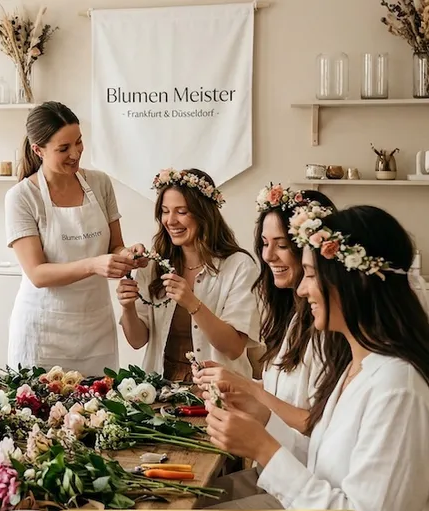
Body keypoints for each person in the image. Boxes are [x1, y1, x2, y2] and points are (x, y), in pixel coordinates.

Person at [203, 205, 429, 510]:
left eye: (310, 274)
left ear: (356, 281)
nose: (303, 289)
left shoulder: (397, 387)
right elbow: (320, 462)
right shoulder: (357, 368)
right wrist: (263, 417)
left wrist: (264, 449)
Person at [5, 101, 145, 376]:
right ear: (38, 150)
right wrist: (93, 265)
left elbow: (114, 245)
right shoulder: (22, 197)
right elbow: (37, 273)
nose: (75, 153)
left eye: (79, 143)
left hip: (95, 326)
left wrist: (128, 254)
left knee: (100, 414)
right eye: (63, 148)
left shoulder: (100, 183)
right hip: (43, 332)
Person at [194, 185, 337, 433]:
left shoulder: (328, 330)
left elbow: (316, 423)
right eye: (264, 243)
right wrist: (235, 382)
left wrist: (247, 389)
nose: (268, 255)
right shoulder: (292, 318)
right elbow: (279, 392)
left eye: (281, 245)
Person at [117, 168, 260, 381]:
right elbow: (137, 341)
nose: (170, 221)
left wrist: (192, 303)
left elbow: (233, 349)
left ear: (205, 214)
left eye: (181, 212)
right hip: (159, 391)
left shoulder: (239, 266)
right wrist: (128, 307)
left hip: (219, 392)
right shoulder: (153, 265)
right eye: (165, 211)